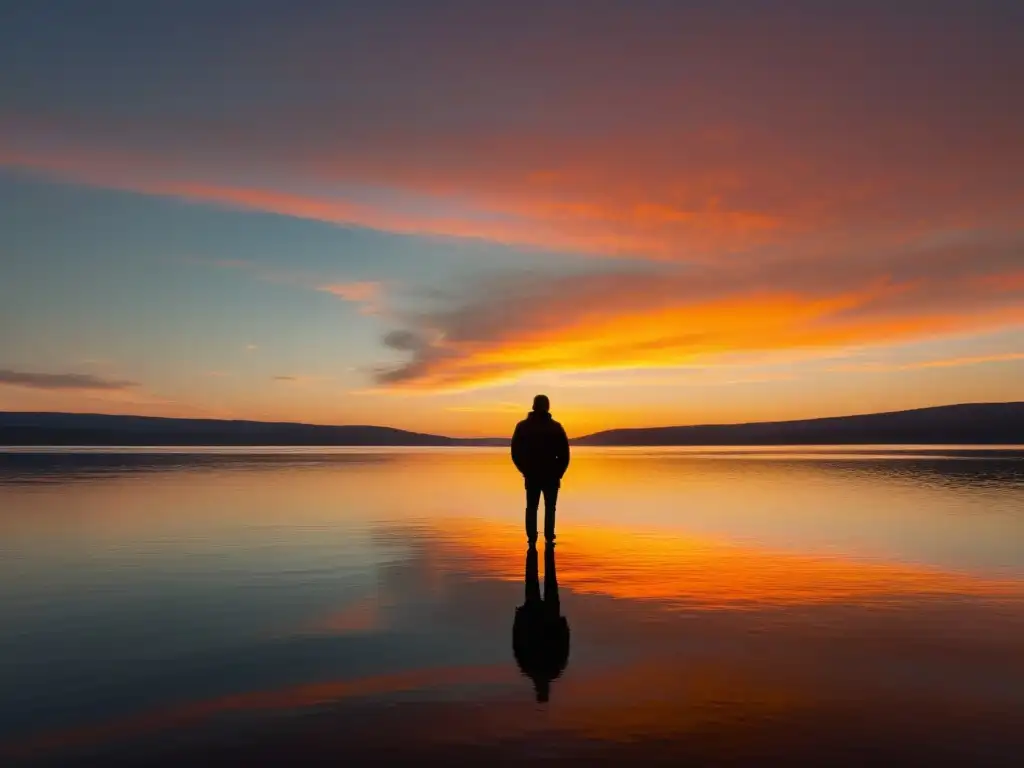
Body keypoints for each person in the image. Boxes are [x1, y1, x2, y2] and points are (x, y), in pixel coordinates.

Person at [512, 543, 570, 703]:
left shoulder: (531, 668)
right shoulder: (550, 669)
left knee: (538, 577)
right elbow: (564, 644)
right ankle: (544, 545)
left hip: (535, 615)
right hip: (545, 616)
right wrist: (563, 624)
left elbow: (517, 642)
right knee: (546, 576)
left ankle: (536, 545)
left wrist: (519, 618)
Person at [510, 394, 570, 544]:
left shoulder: (523, 426)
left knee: (532, 508)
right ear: (547, 406)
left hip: (534, 475)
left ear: (533, 406)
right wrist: (559, 473)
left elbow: (515, 452)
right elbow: (565, 454)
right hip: (548, 476)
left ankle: (532, 539)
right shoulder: (555, 427)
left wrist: (525, 470)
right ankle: (548, 538)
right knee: (549, 508)